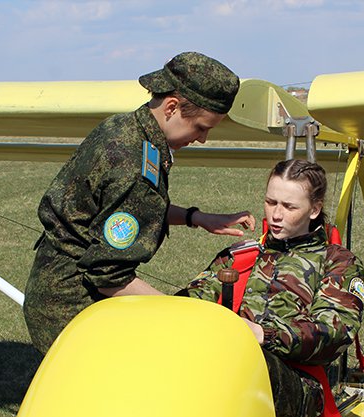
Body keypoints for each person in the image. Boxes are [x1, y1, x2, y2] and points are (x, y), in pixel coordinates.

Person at [24, 51, 255, 354]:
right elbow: (109, 276)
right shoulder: (134, 164)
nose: (202, 139)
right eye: (201, 127)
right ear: (172, 107)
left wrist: (196, 218)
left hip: (55, 290)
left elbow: (117, 213)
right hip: (73, 309)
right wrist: (185, 313)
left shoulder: (126, 128)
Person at [181, 159, 364, 417]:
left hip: (298, 390)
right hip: (227, 369)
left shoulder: (337, 262)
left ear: (314, 209)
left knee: (247, 365)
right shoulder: (238, 256)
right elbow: (188, 305)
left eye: (289, 207)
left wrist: (263, 335)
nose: (276, 214)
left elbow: (335, 333)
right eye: (271, 202)